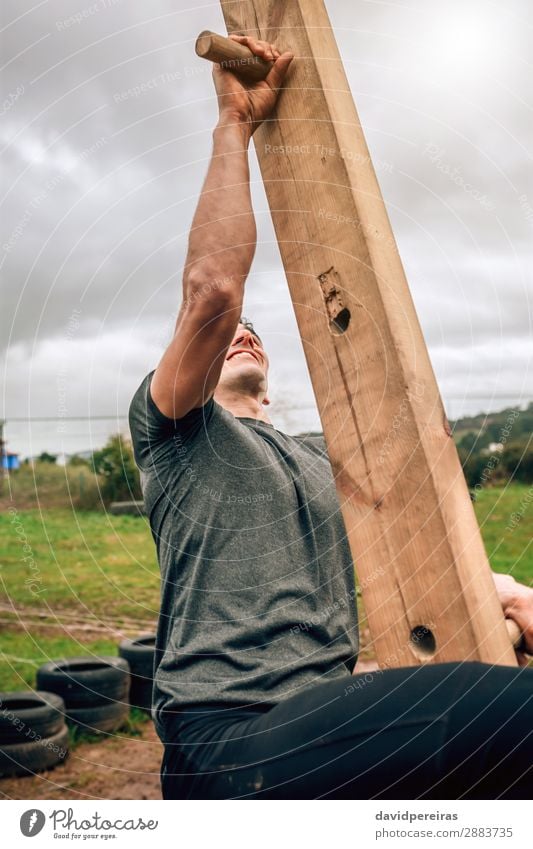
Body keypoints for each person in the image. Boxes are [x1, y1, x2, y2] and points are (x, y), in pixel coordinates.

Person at [129, 35, 533, 800]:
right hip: (230, 736)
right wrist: (233, 124)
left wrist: (505, 593)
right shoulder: (174, 435)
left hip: (329, 714)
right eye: (223, 339)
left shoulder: (322, 460)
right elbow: (214, 293)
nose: (243, 332)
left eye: (255, 333)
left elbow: (404, 548)